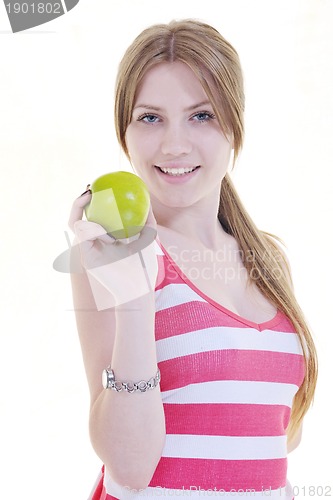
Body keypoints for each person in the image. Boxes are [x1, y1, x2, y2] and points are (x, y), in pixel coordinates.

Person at [68, 19, 318, 499]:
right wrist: (134, 296)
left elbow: (278, 437)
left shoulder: (268, 260)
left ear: (235, 126)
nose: (174, 145)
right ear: (125, 131)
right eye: (150, 117)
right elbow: (129, 465)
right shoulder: (109, 253)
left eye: (201, 115)